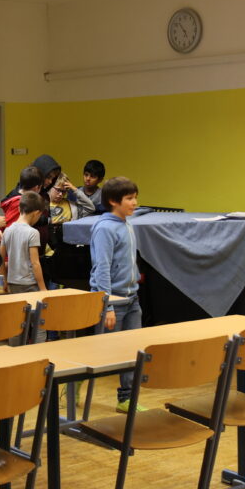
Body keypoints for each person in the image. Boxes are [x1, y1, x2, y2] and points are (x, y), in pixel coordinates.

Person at [89, 176, 143, 413]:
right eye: (129, 198)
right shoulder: (104, 228)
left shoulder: (127, 224)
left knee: (132, 350)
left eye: (135, 197)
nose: (135, 203)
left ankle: (126, 398)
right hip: (113, 301)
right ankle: (75, 382)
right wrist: (108, 305)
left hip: (132, 298)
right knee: (104, 354)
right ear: (113, 201)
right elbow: (102, 268)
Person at [1, 191, 48, 344]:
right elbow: (35, 263)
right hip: (30, 284)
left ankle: (16, 354)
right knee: (39, 325)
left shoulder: (7, 230)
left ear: (20, 208)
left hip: (14, 284)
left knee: (17, 324)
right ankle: (39, 354)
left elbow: (1, 258)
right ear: (36, 213)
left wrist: (5, 280)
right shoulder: (33, 233)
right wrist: (43, 288)